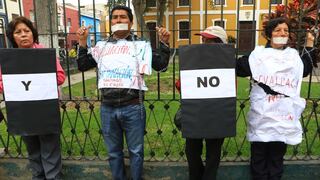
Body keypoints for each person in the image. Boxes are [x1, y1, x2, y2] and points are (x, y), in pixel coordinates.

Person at [76, 5, 170, 180]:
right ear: (110, 22)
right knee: (113, 153)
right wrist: (82, 43)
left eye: (123, 17)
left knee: (136, 152)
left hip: (133, 107)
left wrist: (164, 43)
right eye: (115, 17)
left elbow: (161, 66)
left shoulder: (142, 45)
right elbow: (82, 65)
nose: (118, 20)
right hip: (107, 108)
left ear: (131, 22)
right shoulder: (101, 46)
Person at [237, 17, 316, 180]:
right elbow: (240, 68)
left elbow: (305, 69)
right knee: (259, 156)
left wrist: (309, 44)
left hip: (282, 116)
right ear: (269, 34)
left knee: (276, 156)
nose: (282, 33)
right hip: (262, 115)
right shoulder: (258, 55)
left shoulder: (292, 57)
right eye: (278, 30)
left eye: (286, 30)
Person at [3, 16, 65, 179]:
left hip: (45, 111)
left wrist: (40, 77)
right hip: (23, 113)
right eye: (18, 32)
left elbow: (60, 77)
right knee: (33, 152)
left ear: (33, 34)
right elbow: (2, 83)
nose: (23, 35)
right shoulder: (8, 60)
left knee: (50, 151)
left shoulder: (45, 55)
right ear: (12, 37)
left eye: (26, 30)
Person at [175, 26, 229, 180]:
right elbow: (182, 85)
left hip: (217, 113)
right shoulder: (194, 60)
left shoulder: (228, 63)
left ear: (220, 43)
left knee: (213, 153)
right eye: (203, 39)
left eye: (208, 40)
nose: (204, 43)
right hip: (196, 112)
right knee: (191, 151)